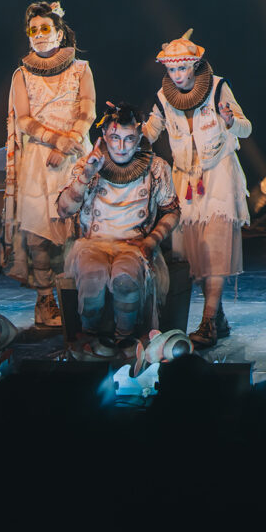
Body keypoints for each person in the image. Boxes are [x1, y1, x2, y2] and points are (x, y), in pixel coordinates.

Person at [142, 30, 251, 349]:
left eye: (182, 69)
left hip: (218, 176)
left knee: (215, 251)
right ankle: (217, 315)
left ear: (194, 66)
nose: (177, 75)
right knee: (196, 257)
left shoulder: (218, 87)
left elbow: (247, 126)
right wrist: (129, 131)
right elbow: (150, 131)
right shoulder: (164, 98)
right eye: (172, 70)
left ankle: (207, 323)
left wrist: (230, 121)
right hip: (185, 181)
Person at [56, 103, 180, 354]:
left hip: (134, 245)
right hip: (93, 244)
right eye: (115, 138)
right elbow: (64, 210)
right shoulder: (86, 166)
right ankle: (90, 337)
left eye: (129, 139)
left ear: (139, 137)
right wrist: (86, 176)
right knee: (93, 276)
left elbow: (172, 210)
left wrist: (152, 240)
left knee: (125, 278)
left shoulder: (156, 168)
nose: (122, 147)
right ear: (103, 137)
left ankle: (125, 338)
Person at [3, 1, 96, 327]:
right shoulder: (22, 74)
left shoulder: (81, 69)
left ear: (59, 33)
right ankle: (46, 302)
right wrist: (56, 141)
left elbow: (88, 112)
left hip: (74, 159)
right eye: (34, 30)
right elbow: (24, 119)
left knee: (75, 234)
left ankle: (78, 301)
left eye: (46, 29)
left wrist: (70, 140)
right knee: (38, 236)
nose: (40, 35)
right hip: (39, 162)